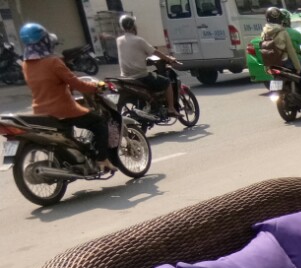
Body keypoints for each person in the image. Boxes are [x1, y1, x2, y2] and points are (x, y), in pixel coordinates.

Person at [19, 22, 116, 171]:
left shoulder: (25, 65)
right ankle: (102, 160)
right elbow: (79, 85)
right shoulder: (53, 62)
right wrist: (99, 86)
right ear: (45, 42)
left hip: (40, 112)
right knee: (99, 122)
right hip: (63, 110)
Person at [116, 15, 180, 118]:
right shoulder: (139, 40)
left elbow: (132, 53)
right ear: (133, 26)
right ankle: (171, 108)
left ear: (122, 27)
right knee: (167, 82)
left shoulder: (119, 40)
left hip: (126, 77)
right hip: (141, 76)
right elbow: (155, 52)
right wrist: (168, 59)